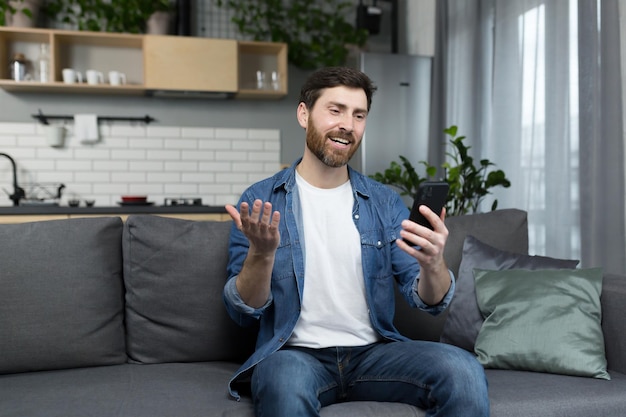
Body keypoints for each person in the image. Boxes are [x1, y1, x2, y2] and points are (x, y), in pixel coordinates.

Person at [223, 66, 489, 417]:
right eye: (335, 110)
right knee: (283, 385)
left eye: (358, 115)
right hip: (295, 356)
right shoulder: (262, 199)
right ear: (304, 114)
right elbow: (242, 311)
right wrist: (261, 254)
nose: (347, 124)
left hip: (374, 353)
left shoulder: (384, 203)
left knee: (464, 371)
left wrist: (433, 264)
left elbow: (430, 301)